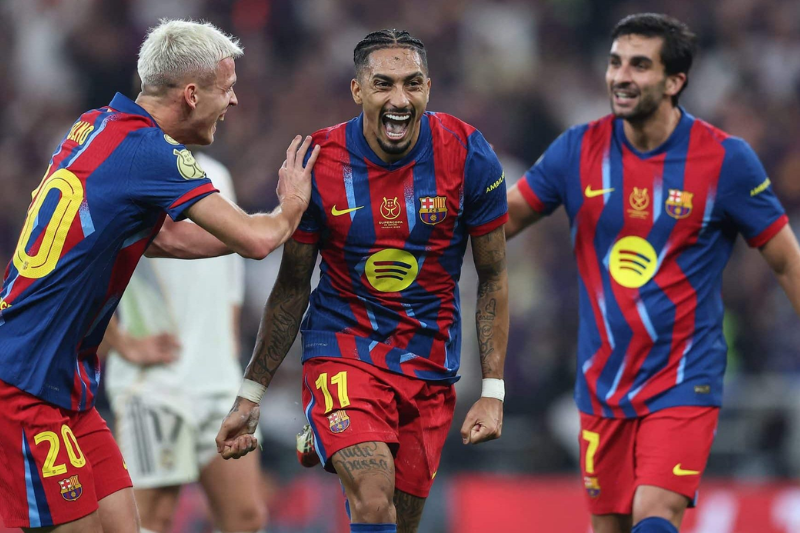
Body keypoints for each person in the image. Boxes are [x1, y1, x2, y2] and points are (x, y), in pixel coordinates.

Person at [0, 19, 318, 533]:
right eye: (227, 88)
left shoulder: (95, 125)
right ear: (191, 95)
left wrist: (274, 227)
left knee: (127, 526)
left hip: (65, 383)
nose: (233, 101)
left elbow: (166, 239)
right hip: (25, 381)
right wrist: (293, 208)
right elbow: (256, 241)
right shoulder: (153, 152)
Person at [505, 13, 800, 533]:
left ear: (674, 81)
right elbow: (503, 221)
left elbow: (785, 261)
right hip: (603, 382)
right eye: (615, 62)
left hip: (684, 377)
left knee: (655, 513)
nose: (621, 76)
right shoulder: (577, 149)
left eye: (640, 65)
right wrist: (418, 224)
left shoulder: (725, 160)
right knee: (612, 526)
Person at [216, 29, 509, 533]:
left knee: (397, 522)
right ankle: (328, 419)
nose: (399, 100)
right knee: (373, 501)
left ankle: (325, 432)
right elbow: (292, 285)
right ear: (357, 90)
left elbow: (493, 276)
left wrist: (493, 391)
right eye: (383, 84)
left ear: (428, 88)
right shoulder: (320, 160)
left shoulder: (468, 154)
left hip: (428, 363)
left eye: (412, 83)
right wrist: (252, 393)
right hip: (343, 350)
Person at [102, 151, 268, 533]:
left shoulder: (218, 173)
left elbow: (230, 272)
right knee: (152, 518)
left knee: (247, 517)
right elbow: (79, 262)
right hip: (154, 384)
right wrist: (122, 342)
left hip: (218, 381)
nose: (223, 117)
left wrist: (228, 349)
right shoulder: (128, 171)